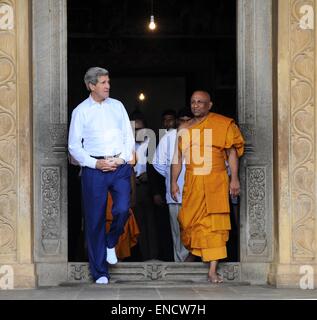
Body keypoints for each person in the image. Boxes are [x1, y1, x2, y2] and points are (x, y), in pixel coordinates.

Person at [68, 67, 134, 284]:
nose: (108, 86)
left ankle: (110, 241)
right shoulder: (80, 111)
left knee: (123, 208)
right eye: (104, 82)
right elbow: (74, 147)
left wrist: (122, 159)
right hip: (94, 169)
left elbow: (128, 136)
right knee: (94, 220)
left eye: (108, 81)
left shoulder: (118, 106)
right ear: (91, 86)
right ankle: (100, 272)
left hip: (119, 166)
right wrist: (95, 163)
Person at [171, 90, 244, 283]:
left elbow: (232, 153)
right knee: (187, 221)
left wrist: (234, 179)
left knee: (214, 224)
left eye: (200, 102)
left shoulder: (222, 123)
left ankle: (212, 270)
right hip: (193, 180)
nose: (196, 105)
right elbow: (177, 158)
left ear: (209, 105)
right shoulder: (184, 128)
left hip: (216, 181)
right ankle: (195, 254)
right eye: (193, 102)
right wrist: (173, 182)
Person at [153, 108, 193, 262]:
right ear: (177, 121)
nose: (184, 123)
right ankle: (181, 265)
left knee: (196, 230)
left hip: (197, 192)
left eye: (187, 120)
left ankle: (195, 263)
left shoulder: (201, 135)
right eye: (181, 120)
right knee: (178, 232)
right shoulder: (168, 137)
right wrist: (172, 177)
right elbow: (158, 163)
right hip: (176, 193)